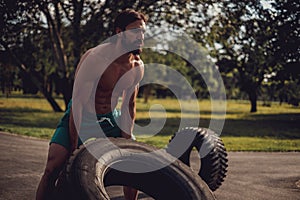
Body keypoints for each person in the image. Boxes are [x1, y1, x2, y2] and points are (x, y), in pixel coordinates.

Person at [36, 9, 147, 200]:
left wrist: (127, 144)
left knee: (133, 168)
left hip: (111, 120)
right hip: (82, 116)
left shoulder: (137, 67)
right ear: (120, 32)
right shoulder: (96, 58)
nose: (141, 37)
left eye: (143, 32)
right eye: (135, 32)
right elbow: (78, 104)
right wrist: (73, 146)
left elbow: (129, 107)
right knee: (53, 167)